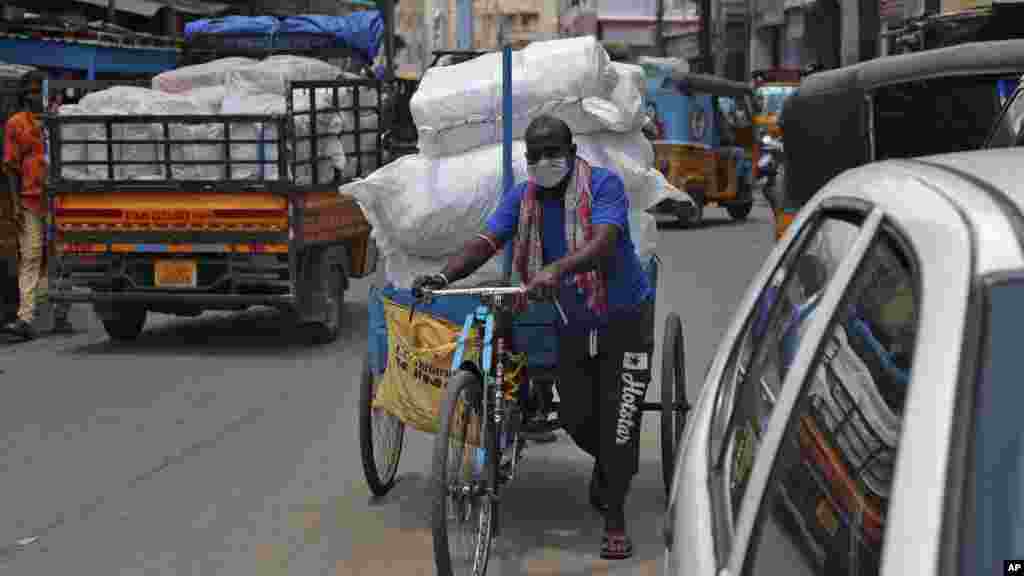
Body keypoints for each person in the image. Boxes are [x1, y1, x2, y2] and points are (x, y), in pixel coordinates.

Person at [412, 115, 655, 560]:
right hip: (573, 322)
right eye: (535, 155)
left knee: (620, 422)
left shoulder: (603, 186)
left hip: (624, 319)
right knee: (580, 417)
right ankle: (612, 467)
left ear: (571, 151)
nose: (544, 162)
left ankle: (615, 516)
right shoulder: (522, 199)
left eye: (552, 152)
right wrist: (443, 276)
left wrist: (557, 269)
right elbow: (486, 241)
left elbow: (603, 242)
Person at [3, 72, 72, 340]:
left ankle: (61, 314)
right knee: (31, 256)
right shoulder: (16, 124)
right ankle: (25, 318)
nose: (34, 97)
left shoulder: (53, 120)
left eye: (37, 91)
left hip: (58, 201)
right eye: (30, 93)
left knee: (61, 256)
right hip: (30, 200)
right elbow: (10, 167)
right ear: (23, 96)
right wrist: (15, 203)